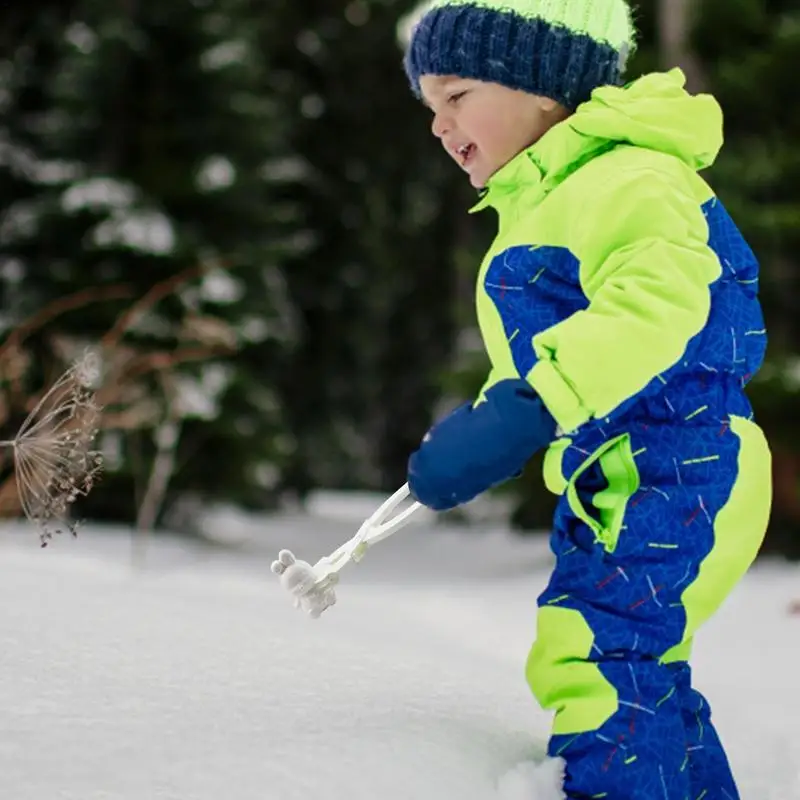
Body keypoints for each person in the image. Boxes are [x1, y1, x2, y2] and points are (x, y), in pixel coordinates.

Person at [401, 1, 773, 798]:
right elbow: (551, 352)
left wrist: (533, 404)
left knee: (594, 652)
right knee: (639, 666)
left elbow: (665, 299)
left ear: (540, 84)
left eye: (457, 94)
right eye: (429, 106)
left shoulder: (630, 177)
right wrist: (489, 422)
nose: (438, 124)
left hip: (683, 458)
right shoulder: (547, 202)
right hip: (633, 471)